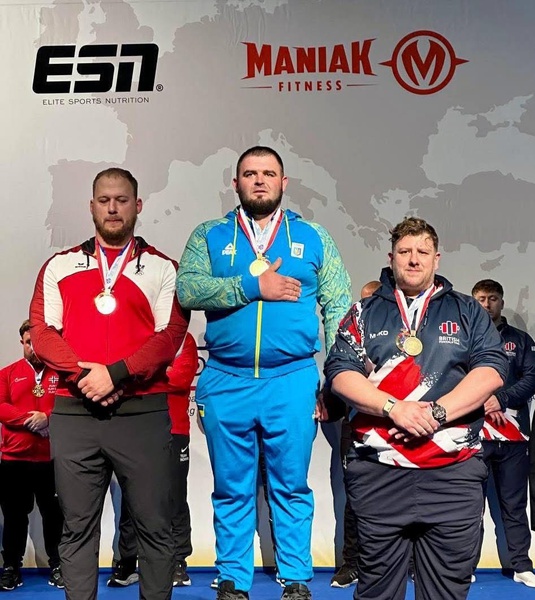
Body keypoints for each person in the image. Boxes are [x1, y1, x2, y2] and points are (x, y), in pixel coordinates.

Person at [177, 146, 352, 600]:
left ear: (283, 182)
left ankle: (295, 578)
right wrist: (253, 286)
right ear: (235, 182)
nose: (259, 180)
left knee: (291, 485)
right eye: (250, 173)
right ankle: (233, 578)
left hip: (291, 379)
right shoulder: (209, 235)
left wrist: (336, 379)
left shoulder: (313, 236)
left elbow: (338, 306)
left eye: (268, 173)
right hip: (225, 378)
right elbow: (188, 288)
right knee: (231, 488)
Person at [325, 216, 508, 600]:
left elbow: (491, 370)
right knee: (377, 591)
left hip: (453, 476)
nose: (413, 259)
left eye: (422, 252)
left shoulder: (467, 311)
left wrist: (435, 413)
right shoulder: (363, 312)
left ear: (436, 259)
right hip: (379, 473)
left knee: (447, 592)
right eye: (405, 251)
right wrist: (394, 408)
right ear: (391, 257)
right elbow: (341, 373)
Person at [29, 167, 189, 600]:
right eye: (104, 200)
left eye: (121, 200)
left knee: (155, 527)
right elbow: (42, 331)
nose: (113, 208)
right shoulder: (59, 265)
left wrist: (116, 374)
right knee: (77, 528)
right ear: (92, 206)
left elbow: (170, 335)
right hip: (75, 414)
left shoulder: (164, 268)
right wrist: (85, 377)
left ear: (138, 206)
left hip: (143, 413)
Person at [107, 332, 199, 588]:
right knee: (131, 497)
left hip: (174, 430)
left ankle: (178, 562)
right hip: (138, 429)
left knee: (174, 497)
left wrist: (148, 375)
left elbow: (180, 379)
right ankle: (127, 562)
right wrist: (157, 373)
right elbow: (128, 378)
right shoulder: (140, 332)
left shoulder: (185, 340)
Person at [471, 279, 535, 587]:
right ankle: (464, 567)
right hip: (473, 436)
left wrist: (503, 399)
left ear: (501, 301)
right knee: (469, 507)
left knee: (514, 505)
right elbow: (453, 378)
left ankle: (521, 565)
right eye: (481, 299)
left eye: (493, 298)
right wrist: (484, 401)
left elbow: (532, 378)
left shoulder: (520, 340)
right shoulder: (463, 338)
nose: (487, 304)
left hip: (513, 439)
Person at [0, 320, 64, 591]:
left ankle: (58, 565)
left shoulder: (61, 374)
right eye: (28, 343)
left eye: (37, 343)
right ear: (22, 343)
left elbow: (67, 407)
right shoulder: (7, 374)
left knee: (55, 516)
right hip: (14, 460)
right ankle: (11, 566)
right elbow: (1, 406)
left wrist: (48, 418)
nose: (33, 348)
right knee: (14, 516)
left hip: (51, 459)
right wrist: (32, 421)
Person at [331, 280, 380, 590]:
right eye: (362, 300)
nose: (366, 306)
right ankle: (352, 564)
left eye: (372, 299)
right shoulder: (349, 334)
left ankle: (410, 563)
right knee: (356, 498)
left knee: (403, 496)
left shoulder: (402, 335)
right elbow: (335, 375)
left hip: (395, 427)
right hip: (354, 428)